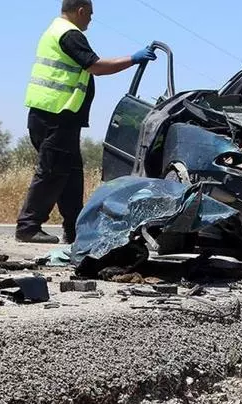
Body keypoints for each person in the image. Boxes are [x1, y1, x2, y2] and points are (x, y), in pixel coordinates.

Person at [16, 0, 156, 244]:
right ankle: (28, 227)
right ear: (80, 11)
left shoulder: (55, 30)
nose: (91, 19)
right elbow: (96, 66)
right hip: (56, 115)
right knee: (51, 172)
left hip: (55, 116)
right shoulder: (69, 34)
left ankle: (75, 229)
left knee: (71, 176)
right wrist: (133, 59)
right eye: (90, 14)